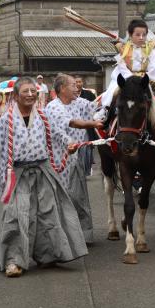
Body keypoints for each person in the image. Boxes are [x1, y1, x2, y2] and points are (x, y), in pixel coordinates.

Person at [0, 77, 87, 277]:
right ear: (16, 95)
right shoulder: (7, 119)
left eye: (33, 91)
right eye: (25, 92)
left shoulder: (43, 116)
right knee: (15, 214)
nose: (30, 95)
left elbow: (57, 133)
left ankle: (48, 255)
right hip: (18, 173)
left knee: (47, 213)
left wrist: (69, 143)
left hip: (42, 170)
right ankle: (13, 260)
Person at [45, 74, 103, 244]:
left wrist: (107, 104)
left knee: (80, 196)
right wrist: (93, 124)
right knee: (61, 198)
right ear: (62, 88)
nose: (77, 87)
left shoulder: (78, 102)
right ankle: (62, 237)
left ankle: (84, 235)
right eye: (72, 85)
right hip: (58, 160)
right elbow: (72, 123)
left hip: (76, 155)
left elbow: (95, 107)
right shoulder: (53, 107)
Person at [95, 19, 155, 120]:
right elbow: (122, 67)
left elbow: (154, 67)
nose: (141, 38)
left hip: (148, 78)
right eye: (137, 34)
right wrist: (132, 78)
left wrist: (144, 77)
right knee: (113, 91)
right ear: (131, 35)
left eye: (144, 35)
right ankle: (106, 111)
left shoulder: (150, 50)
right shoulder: (124, 49)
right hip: (127, 78)